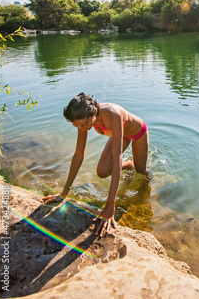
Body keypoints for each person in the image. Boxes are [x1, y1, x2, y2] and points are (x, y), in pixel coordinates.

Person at [42, 93, 149, 237]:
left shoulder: (113, 115)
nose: (82, 128)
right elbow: (79, 154)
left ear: (94, 113)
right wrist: (64, 193)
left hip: (137, 133)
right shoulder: (82, 121)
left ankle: (147, 178)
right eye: (77, 126)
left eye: (84, 124)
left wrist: (110, 205)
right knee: (102, 172)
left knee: (141, 171)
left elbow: (117, 158)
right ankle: (129, 165)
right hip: (119, 134)